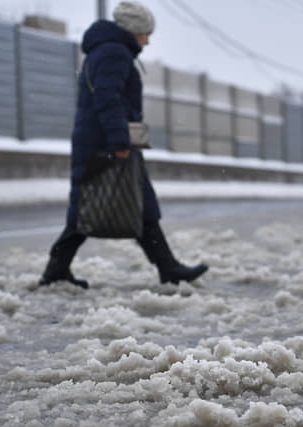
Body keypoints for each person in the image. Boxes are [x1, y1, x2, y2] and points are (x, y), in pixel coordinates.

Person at [39, 1, 208, 289]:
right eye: (145, 33)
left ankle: (167, 267)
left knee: (134, 205)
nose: (148, 40)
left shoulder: (109, 51)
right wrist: (119, 140)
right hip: (104, 144)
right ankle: (56, 269)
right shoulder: (114, 53)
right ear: (133, 31)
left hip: (101, 141)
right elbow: (108, 98)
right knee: (88, 209)